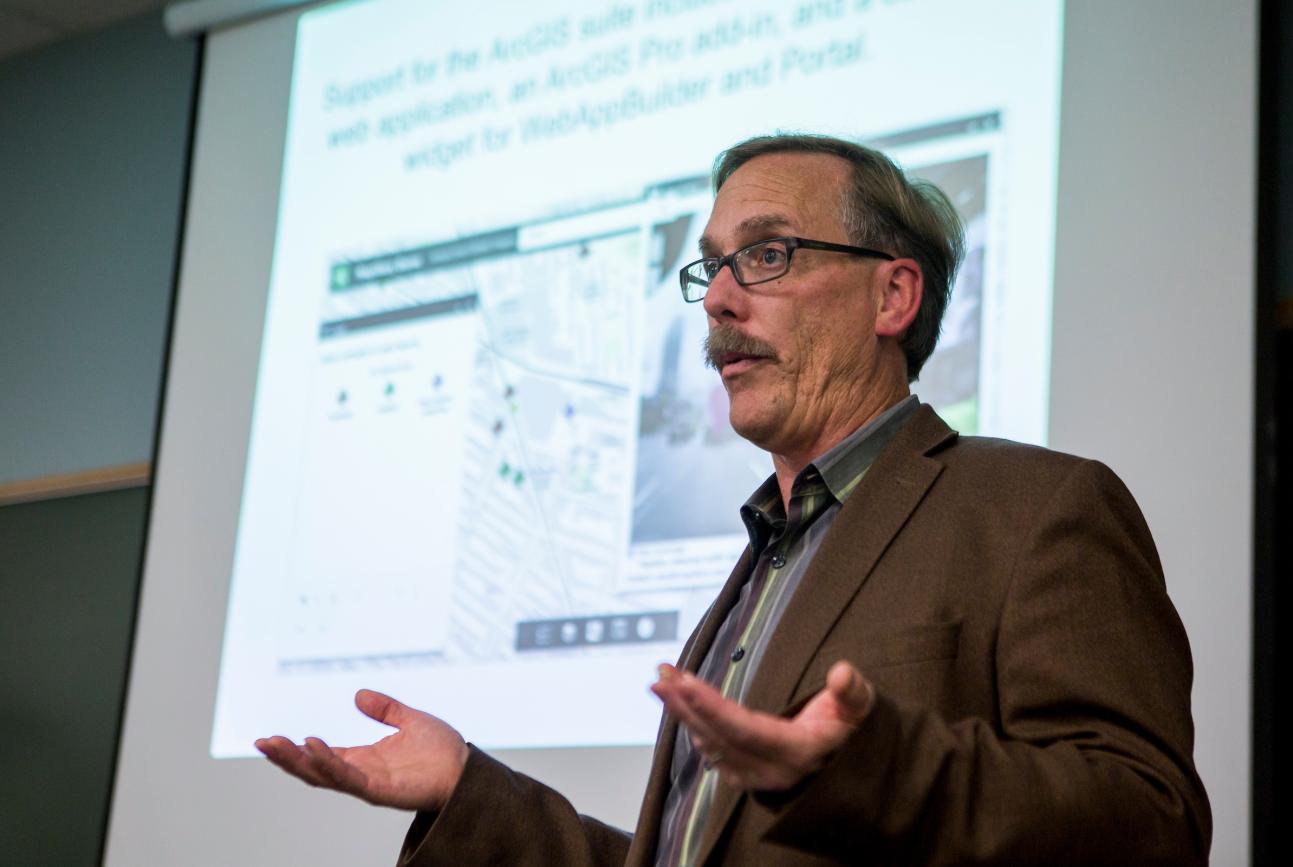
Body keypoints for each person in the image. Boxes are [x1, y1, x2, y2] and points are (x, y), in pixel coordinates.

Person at [257, 134, 1211, 866]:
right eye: (712, 265)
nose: (718, 298)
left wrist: (869, 766)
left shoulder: (1036, 509)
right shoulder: (767, 553)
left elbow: (1147, 820)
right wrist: (470, 789)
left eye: (766, 256)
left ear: (893, 296)